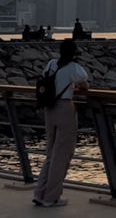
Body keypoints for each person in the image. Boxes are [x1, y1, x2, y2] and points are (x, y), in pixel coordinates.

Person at [33, 39, 89, 208]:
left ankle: (39, 193)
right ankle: (51, 197)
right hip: (65, 109)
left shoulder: (51, 64)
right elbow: (85, 85)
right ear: (73, 54)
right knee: (62, 155)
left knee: (50, 154)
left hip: (49, 109)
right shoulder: (73, 68)